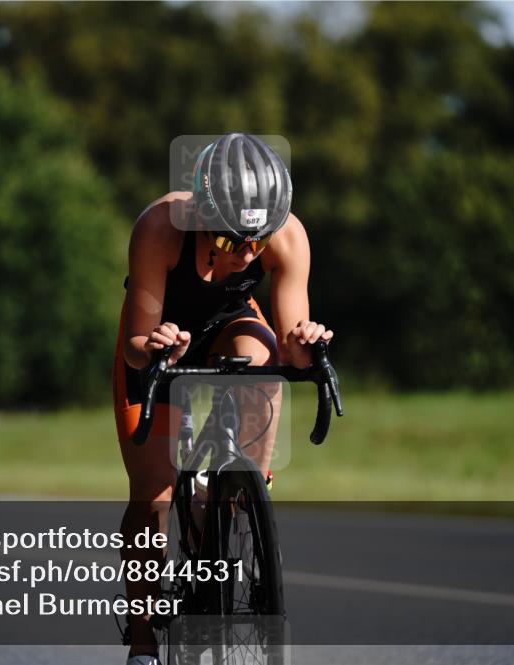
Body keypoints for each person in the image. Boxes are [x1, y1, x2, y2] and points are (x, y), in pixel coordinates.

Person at [112, 133, 333, 664]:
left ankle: (235, 491)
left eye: (259, 240)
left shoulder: (288, 236)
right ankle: (142, 643)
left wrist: (304, 346)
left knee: (263, 363)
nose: (249, 255)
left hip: (228, 321)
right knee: (154, 493)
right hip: (159, 336)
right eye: (234, 243)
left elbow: (289, 342)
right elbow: (136, 346)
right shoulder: (160, 228)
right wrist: (158, 347)